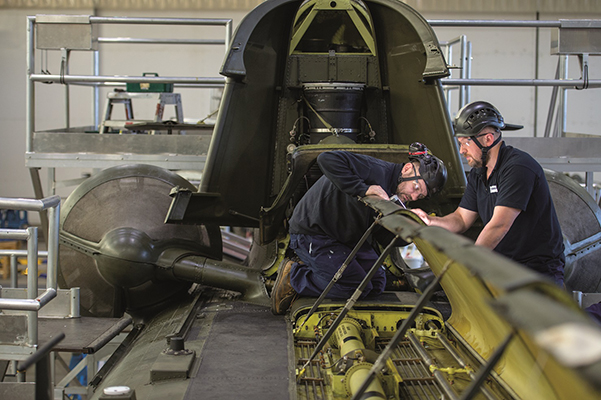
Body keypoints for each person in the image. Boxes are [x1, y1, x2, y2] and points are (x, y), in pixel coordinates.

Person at [271, 145, 447, 314]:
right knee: (351, 286)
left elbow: (383, 235)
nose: (414, 196)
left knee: (376, 284)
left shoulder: (395, 195)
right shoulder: (376, 170)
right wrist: (364, 189)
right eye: (416, 188)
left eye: (421, 195)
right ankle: (294, 277)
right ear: (407, 168)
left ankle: (320, 273)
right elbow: (326, 158)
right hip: (314, 233)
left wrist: (415, 232)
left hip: (345, 239)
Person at [412, 101, 565, 286]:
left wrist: (467, 265)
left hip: (535, 272)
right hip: (503, 268)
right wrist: (429, 221)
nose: (462, 151)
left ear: (488, 139)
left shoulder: (517, 167)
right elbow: (461, 219)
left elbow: (499, 225)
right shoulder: (479, 173)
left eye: (465, 143)